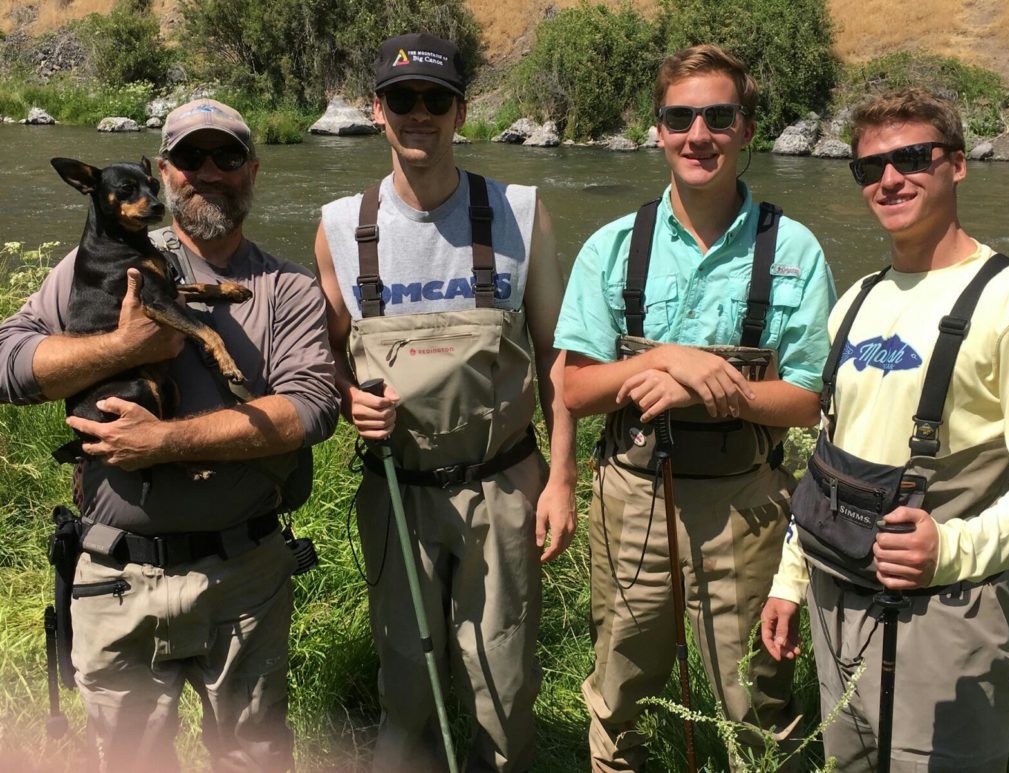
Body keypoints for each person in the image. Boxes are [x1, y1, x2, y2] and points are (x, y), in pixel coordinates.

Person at [0, 98, 340, 771]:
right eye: (189, 157)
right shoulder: (95, 264)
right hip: (116, 575)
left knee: (253, 758)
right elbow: (7, 363)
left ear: (254, 169)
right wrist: (123, 345)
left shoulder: (289, 288)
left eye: (228, 156)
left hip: (244, 580)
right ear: (162, 173)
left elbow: (313, 409)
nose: (208, 172)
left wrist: (163, 441)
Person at [554, 44, 836, 771]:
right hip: (633, 500)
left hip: (746, 506)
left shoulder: (795, 251)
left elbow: (807, 401)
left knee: (757, 704)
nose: (697, 134)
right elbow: (577, 389)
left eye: (718, 115)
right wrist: (661, 361)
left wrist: (716, 386)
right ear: (658, 130)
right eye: (680, 117)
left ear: (747, 128)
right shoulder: (613, 248)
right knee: (618, 695)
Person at [314, 32, 577, 773]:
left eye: (436, 99)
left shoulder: (522, 212)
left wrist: (562, 478)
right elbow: (325, 356)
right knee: (406, 682)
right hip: (397, 488)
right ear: (377, 110)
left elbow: (560, 355)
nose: (418, 114)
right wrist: (345, 399)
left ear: (462, 110)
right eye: (403, 99)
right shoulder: (340, 226)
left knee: (503, 680)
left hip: (504, 483)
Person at [761, 88, 1009, 771]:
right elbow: (826, 458)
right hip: (834, 597)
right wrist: (789, 580)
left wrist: (953, 548)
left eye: (912, 157)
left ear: (959, 165)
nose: (889, 179)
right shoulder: (856, 300)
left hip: (951, 610)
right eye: (869, 167)